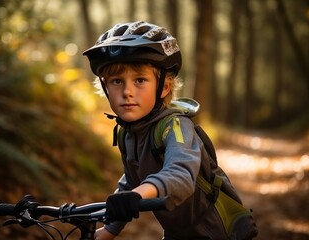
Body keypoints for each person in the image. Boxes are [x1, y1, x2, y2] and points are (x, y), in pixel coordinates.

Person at [83, 21, 255, 240]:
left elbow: (180, 174)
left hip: (215, 230)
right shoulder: (128, 132)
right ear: (105, 88)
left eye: (140, 80)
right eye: (117, 81)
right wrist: (109, 229)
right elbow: (131, 181)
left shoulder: (175, 126)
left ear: (164, 87)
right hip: (177, 233)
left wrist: (136, 195)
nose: (127, 91)